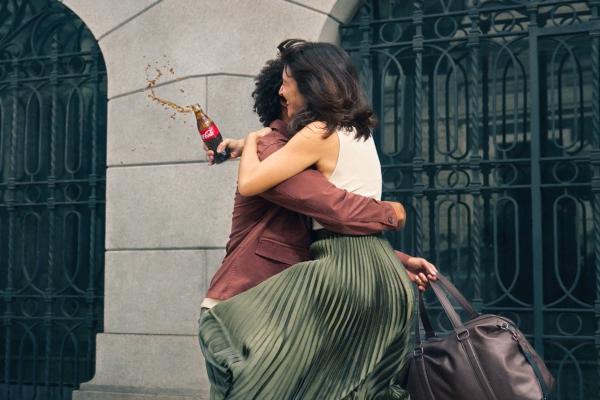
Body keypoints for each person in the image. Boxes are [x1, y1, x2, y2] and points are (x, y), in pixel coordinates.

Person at [198, 40, 436, 399]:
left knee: (251, 371)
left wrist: (250, 141)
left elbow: (330, 206)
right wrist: (396, 255)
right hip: (383, 276)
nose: (282, 89)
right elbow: (338, 215)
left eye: (287, 80)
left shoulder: (314, 133)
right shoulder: (361, 134)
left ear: (311, 83)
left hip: (342, 276)